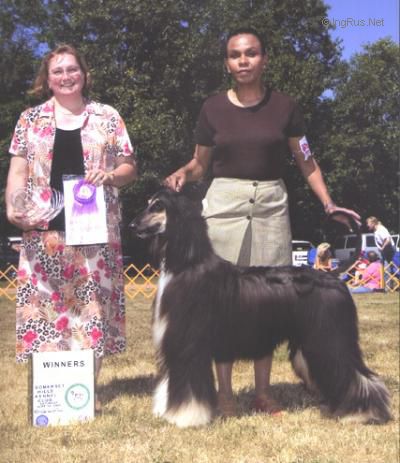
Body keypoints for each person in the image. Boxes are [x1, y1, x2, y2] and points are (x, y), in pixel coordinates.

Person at [164, 28, 360, 418]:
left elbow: (306, 159)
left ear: (264, 59)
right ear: (227, 63)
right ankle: (223, 394)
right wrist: (184, 172)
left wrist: (328, 203)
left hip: (271, 207)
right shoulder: (212, 108)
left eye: (251, 53)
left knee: (268, 303)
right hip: (224, 207)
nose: (243, 60)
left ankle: (263, 393)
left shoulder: (286, 107)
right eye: (235, 54)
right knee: (220, 304)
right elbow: (200, 163)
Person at [5, 44, 137, 411]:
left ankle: (83, 395)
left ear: (84, 74)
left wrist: (110, 176)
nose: (66, 76)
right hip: (42, 233)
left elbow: (130, 167)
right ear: (47, 79)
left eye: (72, 69)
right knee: (44, 313)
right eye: (57, 71)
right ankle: (52, 397)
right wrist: (13, 207)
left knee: (91, 312)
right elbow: (17, 171)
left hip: (95, 234)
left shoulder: (108, 117)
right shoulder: (29, 120)